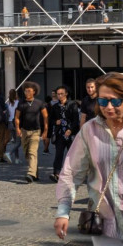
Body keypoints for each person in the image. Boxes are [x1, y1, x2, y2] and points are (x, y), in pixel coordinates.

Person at [54, 72, 123, 241]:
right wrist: (63, 211)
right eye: (102, 101)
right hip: (104, 223)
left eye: (115, 101)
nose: (108, 107)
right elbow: (71, 171)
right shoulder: (90, 130)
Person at [14, 81, 48, 183]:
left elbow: (45, 117)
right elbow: (17, 117)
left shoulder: (39, 103)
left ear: (34, 91)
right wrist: (17, 128)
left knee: (32, 152)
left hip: (35, 131)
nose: (27, 93)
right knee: (26, 154)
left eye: (29, 91)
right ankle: (35, 173)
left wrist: (45, 130)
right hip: (24, 131)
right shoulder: (21, 103)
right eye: (25, 91)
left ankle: (30, 173)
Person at [48, 85, 80, 183]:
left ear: (66, 93)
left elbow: (76, 120)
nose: (60, 96)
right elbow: (50, 120)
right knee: (59, 154)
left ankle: (73, 174)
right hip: (60, 134)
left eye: (62, 94)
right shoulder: (54, 107)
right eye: (58, 94)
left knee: (72, 155)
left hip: (71, 134)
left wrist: (70, 129)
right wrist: (55, 122)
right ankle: (56, 173)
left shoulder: (72, 104)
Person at [6, 89, 21, 164]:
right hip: (16, 123)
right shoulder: (18, 103)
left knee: (15, 142)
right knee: (19, 142)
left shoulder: (8, 103)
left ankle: (17, 159)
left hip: (9, 123)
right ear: (16, 95)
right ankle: (9, 153)